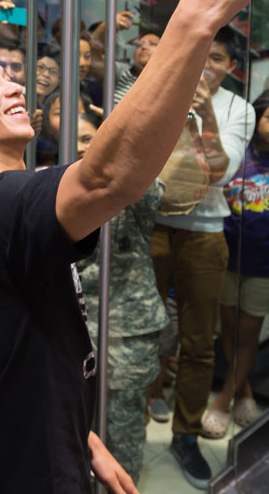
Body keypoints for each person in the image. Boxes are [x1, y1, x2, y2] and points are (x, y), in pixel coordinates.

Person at [0, 0, 264, 491]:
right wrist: (197, 14)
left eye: (10, 75)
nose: (14, 85)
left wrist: (81, 433)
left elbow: (9, 359)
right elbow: (109, 176)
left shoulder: (6, 201)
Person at [151, 27, 255, 486]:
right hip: (150, 224)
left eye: (217, 58)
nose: (207, 65)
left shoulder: (240, 109)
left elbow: (221, 172)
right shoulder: (162, 87)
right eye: (201, 54)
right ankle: (127, 414)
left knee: (198, 342)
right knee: (137, 330)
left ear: (230, 66)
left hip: (206, 232)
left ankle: (186, 434)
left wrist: (205, 109)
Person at [202, 90, 269, 437]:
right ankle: (244, 388)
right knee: (228, 330)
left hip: (265, 263)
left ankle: (224, 399)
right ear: (256, 118)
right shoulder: (237, 156)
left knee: (249, 334)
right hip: (228, 257)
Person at [74, 110, 168, 482]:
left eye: (91, 139)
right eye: (77, 140)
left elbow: (150, 187)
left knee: (123, 425)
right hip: (73, 328)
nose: (86, 148)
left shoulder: (132, 190)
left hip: (126, 328)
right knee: (72, 423)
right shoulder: (52, 191)